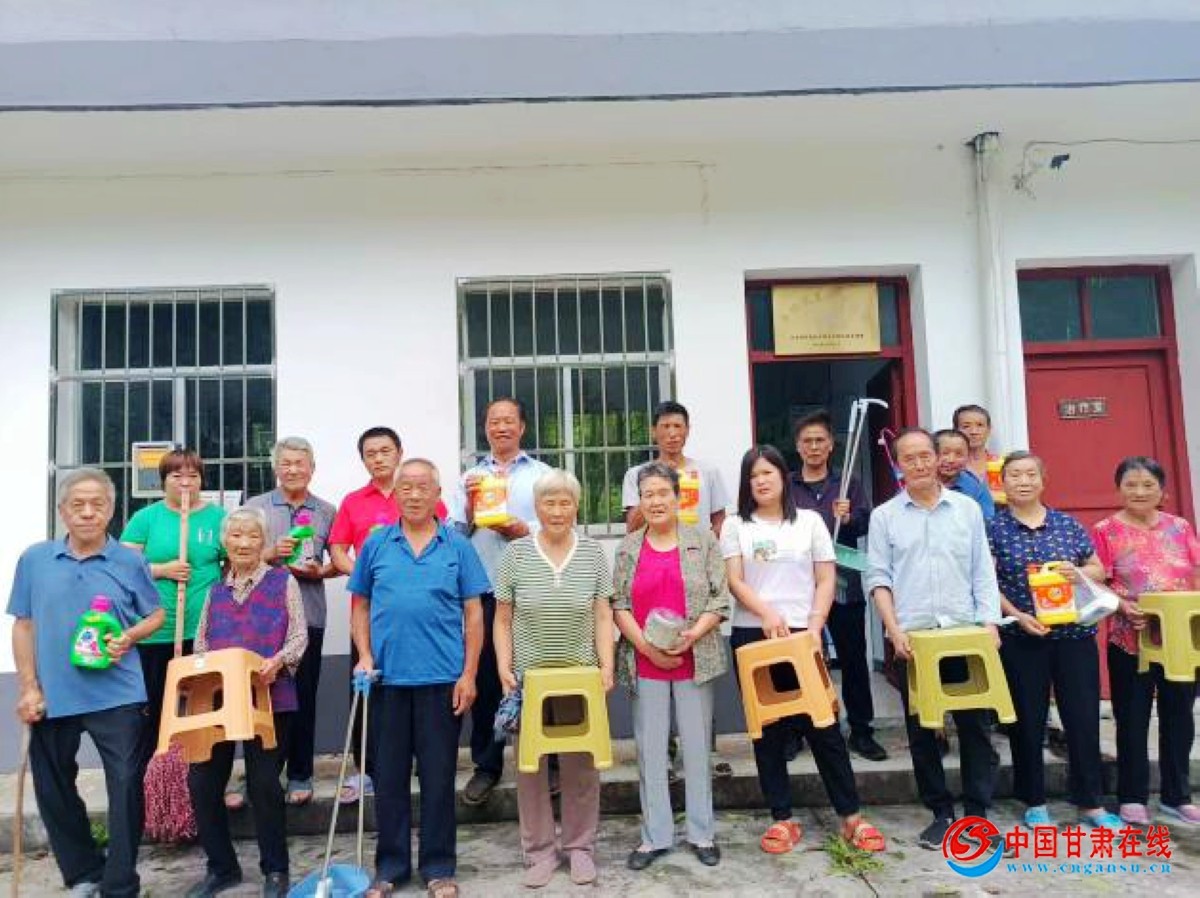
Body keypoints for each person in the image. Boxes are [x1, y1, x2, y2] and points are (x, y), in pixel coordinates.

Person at [8, 468, 164, 898]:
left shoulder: (130, 561)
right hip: (53, 693)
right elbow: (23, 625)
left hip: (118, 692)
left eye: (98, 504)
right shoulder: (35, 559)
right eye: (78, 505)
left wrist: (128, 636)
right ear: (62, 511)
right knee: (53, 786)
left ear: (111, 510)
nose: (88, 513)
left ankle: (120, 883)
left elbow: (155, 614)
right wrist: (28, 686)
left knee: (126, 783)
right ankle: (84, 874)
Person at [723, 446, 886, 855]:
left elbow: (826, 578)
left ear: (784, 477)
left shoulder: (810, 521)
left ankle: (851, 816)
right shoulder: (736, 525)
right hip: (753, 636)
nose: (761, 481)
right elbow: (735, 580)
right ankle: (782, 818)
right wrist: (766, 613)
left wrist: (815, 626)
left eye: (768, 473)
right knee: (767, 732)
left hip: (802, 635)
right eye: (753, 475)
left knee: (823, 727)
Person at [350, 459, 490, 898]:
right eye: (405, 487)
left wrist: (469, 674)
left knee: (437, 778)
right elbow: (360, 605)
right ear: (395, 494)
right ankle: (390, 867)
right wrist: (364, 655)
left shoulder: (457, 546)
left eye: (422, 487)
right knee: (388, 779)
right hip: (386, 682)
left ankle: (438, 867)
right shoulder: (377, 544)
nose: (413, 494)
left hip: (442, 682)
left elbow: (474, 613)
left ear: (437, 495)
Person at [865, 428, 1003, 850]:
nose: (920, 464)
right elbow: (879, 578)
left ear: (938, 458)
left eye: (926, 455)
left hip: (964, 633)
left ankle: (978, 815)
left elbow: (982, 569)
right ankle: (940, 813)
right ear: (899, 465)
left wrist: (990, 623)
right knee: (923, 729)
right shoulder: (885, 516)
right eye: (910, 458)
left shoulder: (966, 509)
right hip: (914, 637)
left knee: (975, 726)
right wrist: (893, 630)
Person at [493, 470, 615, 888]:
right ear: (537, 507)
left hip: (580, 677)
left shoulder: (593, 553)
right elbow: (502, 618)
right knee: (531, 770)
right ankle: (539, 852)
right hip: (530, 680)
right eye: (549, 503)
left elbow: (603, 614)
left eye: (565, 503)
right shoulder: (516, 554)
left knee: (581, 766)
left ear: (576, 506)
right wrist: (504, 666)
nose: (558, 511)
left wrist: (606, 665)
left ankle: (580, 848)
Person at [986, 452, 1120, 831]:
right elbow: (986, 582)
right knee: (1027, 720)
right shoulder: (992, 529)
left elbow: (1098, 568)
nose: (1023, 481)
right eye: (1015, 475)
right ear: (1003, 483)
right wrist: (1017, 614)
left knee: (1082, 718)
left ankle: (1091, 802)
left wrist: (1077, 572)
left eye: (1031, 474)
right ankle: (1034, 801)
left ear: (1044, 480)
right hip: (1022, 636)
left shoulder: (1067, 525)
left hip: (1074, 636)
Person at [612, 461, 730, 871]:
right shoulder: (629, 546)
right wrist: (648, 648)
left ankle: (701, 834)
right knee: (650, 751)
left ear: (679, 498)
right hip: (645, 661)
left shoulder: (702, 540)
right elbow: (618, 604)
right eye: (648, 495)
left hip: (694, 658)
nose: (656, 501)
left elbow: (719, 598)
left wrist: (693, 634)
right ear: (640, 502)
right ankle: (655, 837)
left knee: (696, 749)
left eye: (664, 493)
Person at [184, 508, 307, 898]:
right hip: (218, 700)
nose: (243, 543)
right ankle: (222, 868)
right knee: (203, 781)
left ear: (263, 541)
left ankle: (276, 869)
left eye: (253, 535)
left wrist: (279, 662)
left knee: (264, 783)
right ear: (225, 542)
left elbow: (299, 636)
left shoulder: (282, 581)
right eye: (236, 535)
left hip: (270, 697)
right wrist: (203, 670)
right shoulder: (215, 591)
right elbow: (201, 643)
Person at [329, 426, 447, 805]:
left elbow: (441, 540)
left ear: (399, 453)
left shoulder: (420, 494)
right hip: (368, 616)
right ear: (363, 460)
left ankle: (420, 762)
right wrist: (366, 575)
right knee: (368, 693)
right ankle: (368, 768)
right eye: (371, 453)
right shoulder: (353, 502)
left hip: (420, 620)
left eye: (385, 451)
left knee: (419, 697)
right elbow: (337, 550)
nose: (378, 458)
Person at [448, 397, 551, 806]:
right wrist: (471, 510)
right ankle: (487, 766)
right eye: (494, 421)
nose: (501, 427)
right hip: (486, 589)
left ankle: (548, 761)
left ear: (522, 427)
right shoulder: (470, 479)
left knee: (539, 673)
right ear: (485, 428)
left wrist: (524, 530)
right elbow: (454, 535)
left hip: (533, 588)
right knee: (488, 679)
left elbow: (559, 524)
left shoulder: (543, 476)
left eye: (509, 420)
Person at [1092, 456, 1200, 826]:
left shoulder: (1179, 527)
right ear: (1119, 489)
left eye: (1148, 485)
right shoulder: (1105, 530)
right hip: (1130, 639)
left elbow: (1196, 573)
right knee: (1132, 718)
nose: (1139, 491)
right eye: (1131, 485)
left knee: (1180, 716)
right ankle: (1132, 796)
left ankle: (1177, 795)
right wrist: (1122, 606)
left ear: (1162, 491)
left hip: (1181, 639)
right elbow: (1096, 582)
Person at [243, 436, 338, 806]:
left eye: (301, 463)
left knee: (303, 698)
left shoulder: (327, 511)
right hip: (262, 618)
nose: (293, 469)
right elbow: (235, 559)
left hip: (309, 614)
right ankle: (259, 775)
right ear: (276, 468)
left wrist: (320, 571)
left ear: (312, 469)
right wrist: (270, 553)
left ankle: (301, 773)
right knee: (261, 697)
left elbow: (338, 561)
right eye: (286, 463)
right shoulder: (256, 507)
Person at [120, 448, 226, 768]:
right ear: (163, 480)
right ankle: (158, 778)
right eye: (176, 475)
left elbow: (236, 560)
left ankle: (203, 780)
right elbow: (123, 566)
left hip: (204, 631)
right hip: (157, 630)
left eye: (193, 476)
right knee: (157, 707)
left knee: (203, 707)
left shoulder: (218, 518)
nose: (185, 482)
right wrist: (161, 569)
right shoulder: (146, 518)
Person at [790, 409, 886, 762]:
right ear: (798, 446)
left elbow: (866, 523)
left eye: (820, 440)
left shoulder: (849, 484)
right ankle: (796, 731)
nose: (814, 447)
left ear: (831, 445)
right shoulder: (787, 486)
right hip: (800, 584)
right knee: (800, 658)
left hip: (844, 580)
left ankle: (861, 731)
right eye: (807, 441)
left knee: (852, 658)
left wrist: (849, 517)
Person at [621, 400, 730, 536]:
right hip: (654, 549)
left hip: (697, 549)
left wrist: (705, 546)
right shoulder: (636, 474)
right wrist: (656, 479)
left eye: (677, 426)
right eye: (665, 426)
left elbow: (720, 523)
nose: (672, 433)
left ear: (687, 430)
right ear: (653, 431)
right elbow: (632, 528)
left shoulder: (709, 472)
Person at [934, 429, 995, 521]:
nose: (951, 460)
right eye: (945, 453)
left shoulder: (975, 486)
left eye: (959, 454)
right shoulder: (920, 482)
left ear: (968, 456)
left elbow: (988, 521)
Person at [952, 404, 1000, 488]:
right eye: (966, 426)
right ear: (956, 431)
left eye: (980, 425)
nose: (974, 432)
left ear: (989, 430)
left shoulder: (1001, 464)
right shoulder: (950, 465)